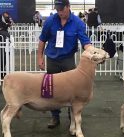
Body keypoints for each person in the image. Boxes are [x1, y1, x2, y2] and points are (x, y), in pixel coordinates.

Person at [37, 0, 93, 129]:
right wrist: (40, 57)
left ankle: (72, 116)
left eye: (62, 9)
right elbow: (42, 40)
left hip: (68, 59)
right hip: (52, 58)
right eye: (57, 10)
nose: (60, 12)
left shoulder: (78, 23)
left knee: (72, 90)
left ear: (68, 7)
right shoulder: (50, 21)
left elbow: (85, 42)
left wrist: (93, 51)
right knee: (51, 89)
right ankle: (55, 116)